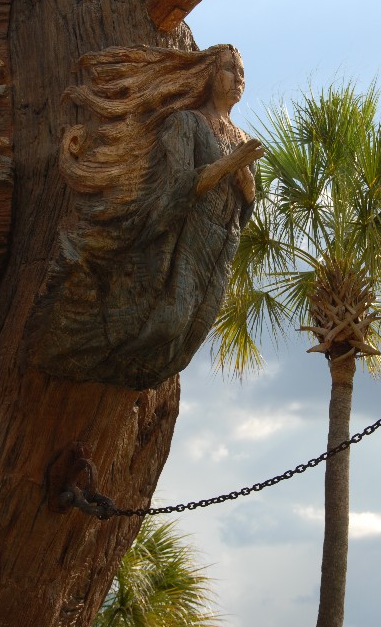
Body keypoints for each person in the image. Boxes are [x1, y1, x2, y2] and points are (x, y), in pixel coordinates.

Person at [31, 44, 264, 389]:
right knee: (170, 318)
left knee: (196, 328)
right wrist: (229, 165)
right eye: (230, 69)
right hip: (187, 235)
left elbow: (247, 203)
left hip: (223, 243)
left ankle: (141, 372)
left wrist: (246, 182)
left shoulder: (243, 139)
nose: (238, 78)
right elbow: (179, 183)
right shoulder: (187, 122)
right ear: (210, 74)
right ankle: (84, 355)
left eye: (242, 72)